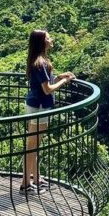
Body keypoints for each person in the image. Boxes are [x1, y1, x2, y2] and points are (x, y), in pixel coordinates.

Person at [21, 29, 75, 193]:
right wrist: (64, 81)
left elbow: (46, 82)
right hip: (39, 107)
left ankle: (36, 179)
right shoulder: (41, 63)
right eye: (49, 37)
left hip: (36, 105)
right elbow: (47, 89)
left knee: (34, 145)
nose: (52, 39)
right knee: (32, 145)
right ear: (42, 42)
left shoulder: (40, 61)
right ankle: (26, 184)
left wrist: (58, 77)